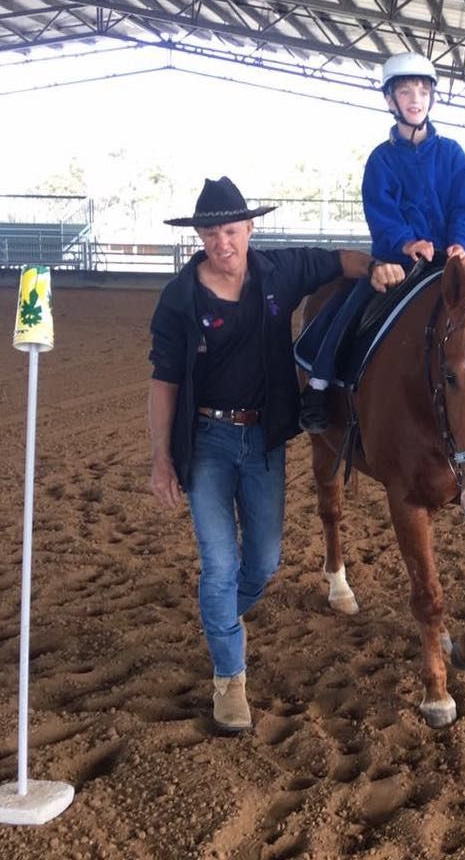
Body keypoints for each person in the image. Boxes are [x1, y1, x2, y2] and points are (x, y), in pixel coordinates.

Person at [148, 176, 404, 733]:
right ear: (200, 236)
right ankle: (229, 680)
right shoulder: (180, 298)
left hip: (264, 440)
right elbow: (165, 380)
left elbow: (342, 260)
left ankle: (221, 620)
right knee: (218, 563)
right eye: (212, 232)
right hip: (206, 441)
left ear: (249, 229)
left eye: (232, 230)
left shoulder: (279, 271)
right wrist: (161, 459)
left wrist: (382, 265)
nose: (223, 242)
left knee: (262, 563)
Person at [299, 51, 465, 433]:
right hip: (396, 262)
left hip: (447, 264)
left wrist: (461, 242)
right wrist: (405, 242)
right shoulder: (381, 160)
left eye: (422, 91)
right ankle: (318, 385)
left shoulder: (452, 154)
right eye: (405, 91)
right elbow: (380, 210)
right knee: (350, 306)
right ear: (389, 100)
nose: (415, 99)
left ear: (432, 97)